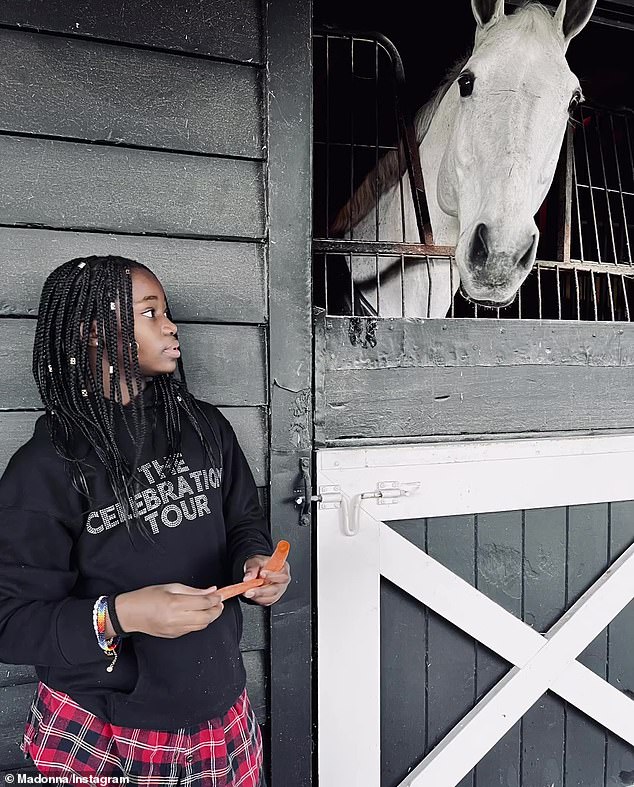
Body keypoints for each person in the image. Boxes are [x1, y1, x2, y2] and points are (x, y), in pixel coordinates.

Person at [0, 255, 290, 785]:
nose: (171, 325)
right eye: (149, 312)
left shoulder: (204, 427)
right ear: (93, 334)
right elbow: (11, 623)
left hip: (221, 710)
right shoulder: (43, 470)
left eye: (165, 310)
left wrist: (255, 562)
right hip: (105, 730)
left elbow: (243, 517)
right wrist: (122, 615)